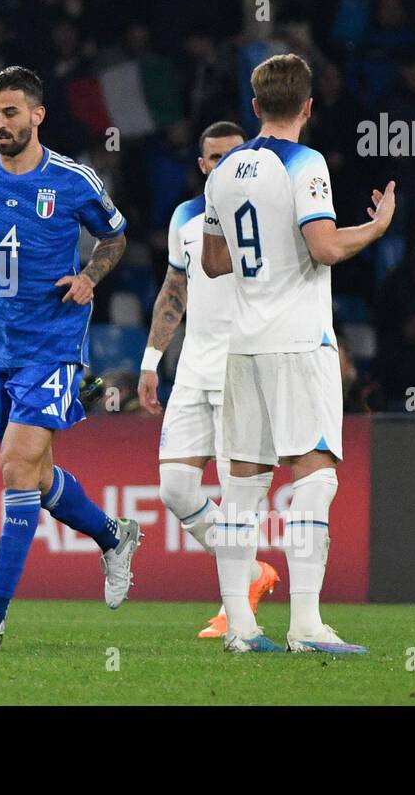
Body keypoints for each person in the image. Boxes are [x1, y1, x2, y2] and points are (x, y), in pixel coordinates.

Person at [0, 66, 141, 650]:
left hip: (54, 347)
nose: (1, 123)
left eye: (12, 113)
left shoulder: (73, 180)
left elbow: (116, 236)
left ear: (37, 115)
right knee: (40, 479)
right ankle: (113, 535)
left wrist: (89, 276)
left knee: (16, 467)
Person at [202, 53, 394, 653]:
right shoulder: (307, 163)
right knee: (313, 479)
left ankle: (239, 627)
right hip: (297, 340)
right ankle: (306, 626)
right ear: (308, 107)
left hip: (244, 344)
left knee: (242, 489)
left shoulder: (223, 170)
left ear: (255, 107)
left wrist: (262, 258)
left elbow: (212, 261)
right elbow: (325, 247)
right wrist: (377, 227)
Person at [138, 120, 279, 639]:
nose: (223, 166)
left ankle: (235, 609)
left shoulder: (269, 214)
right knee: (176, 489)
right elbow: (175, 289)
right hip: (194, 372)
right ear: (202, 166)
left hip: (244, 370)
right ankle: (253, 572)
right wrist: (152, 361)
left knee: (239, 499)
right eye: (213, 158)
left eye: (233, 157)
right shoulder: (186, 217)